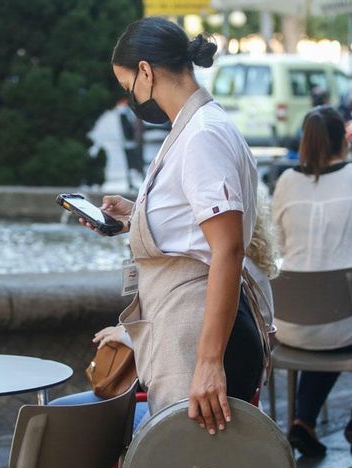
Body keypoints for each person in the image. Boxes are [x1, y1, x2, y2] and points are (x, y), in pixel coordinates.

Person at [84, 17, 265, 436]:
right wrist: (136, 216)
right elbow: (197, 225)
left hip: (198, 336)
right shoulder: (195, 127)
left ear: (145, 72)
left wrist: (208, 362)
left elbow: (227, 249)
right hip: (188, 330)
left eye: (126, 83)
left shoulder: (203, 134)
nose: (128, 95)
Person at [53, 181, 278, 468]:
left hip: (184, 413)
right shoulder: (252, 275)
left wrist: (128, 333)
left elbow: (178, 337)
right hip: (233, 411)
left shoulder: (205, 278)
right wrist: (136, 219)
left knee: (65, 421)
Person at [271, 106, 352, 464]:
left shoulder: (285, 182)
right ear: (346, 140)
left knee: (327, 332)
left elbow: (281, 248)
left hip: (291, 328)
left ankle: (303, 421)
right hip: (351, 324)